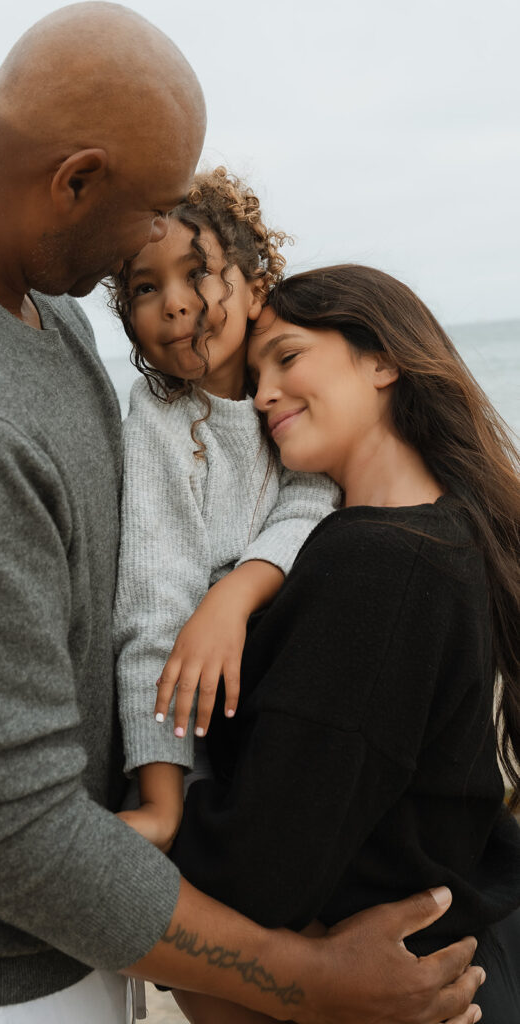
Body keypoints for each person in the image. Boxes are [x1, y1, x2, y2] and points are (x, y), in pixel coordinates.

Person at [0, 3, 484, 1021]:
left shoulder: (40, 309)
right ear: (76, 181)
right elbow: (7, 832)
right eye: (147, 212)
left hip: (92, 933)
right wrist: (303, 980)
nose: (155, 252)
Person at [167, 264, 520, 1023]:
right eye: (254, 374)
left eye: (287, 358)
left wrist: (124, 823)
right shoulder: (452, 530)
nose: (261, 394)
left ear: (382, 359)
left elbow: (260, 868)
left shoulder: (380, 563)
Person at [111, 167, 339, 851]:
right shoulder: (157, 417)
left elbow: (317, 494)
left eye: (197, 274)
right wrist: (160, 798)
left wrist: (237, 594)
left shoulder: (288, 388)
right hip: (191, 712)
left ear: (255, 289)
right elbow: (153, 600)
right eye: (145, 288)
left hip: (293, 686)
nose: (174, 304)